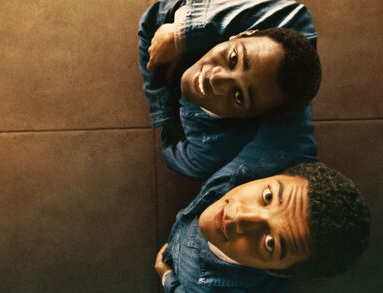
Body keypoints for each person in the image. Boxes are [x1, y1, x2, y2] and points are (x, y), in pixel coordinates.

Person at [154, 162, 370, 293]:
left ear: (278, 272)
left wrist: (167, 277)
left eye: (270, 243)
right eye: (268, 197)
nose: (240, 217)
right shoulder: (267, 155)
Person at [138, 0, 322, 181]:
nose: (217, 79)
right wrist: (181, 34)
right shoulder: (273, 21)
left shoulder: (206, 155)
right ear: (241, 35)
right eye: (233, 59)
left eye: (238, 96)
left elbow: (175, 150)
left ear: (249, 118)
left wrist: (163, 103)